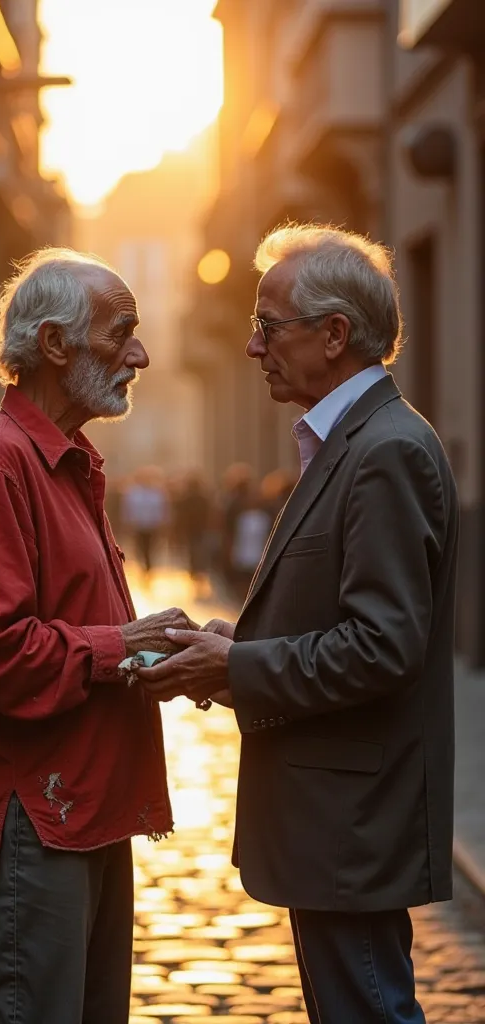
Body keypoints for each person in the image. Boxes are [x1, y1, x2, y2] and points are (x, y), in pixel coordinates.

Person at [139, 223, 459, 1024]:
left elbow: (383, 647)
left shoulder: (384, 450)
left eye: (268, 326)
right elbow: (336, 618)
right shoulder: (348, 440)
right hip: (335, 817)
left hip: (350, 822)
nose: (254, 348)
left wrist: (233, 669)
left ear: (334, 335)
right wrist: (232, 645)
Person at [0, 248, 197, 1024]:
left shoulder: (63, 461)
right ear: (54, 345)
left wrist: (154, 651)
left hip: (83, 810)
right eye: (123, 333)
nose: (140, 355)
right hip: (32, 821)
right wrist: (124, 647)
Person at [121, 465, 169, 576]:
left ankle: (149, 565)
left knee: (151, 547)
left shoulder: (157, 493)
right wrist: (127, 523)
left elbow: (163, 509)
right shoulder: (133, 493)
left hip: (153, 526)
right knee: (140, 548)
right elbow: (128, 508)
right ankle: (145, 564)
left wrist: (164, 523)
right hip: (138, 525)